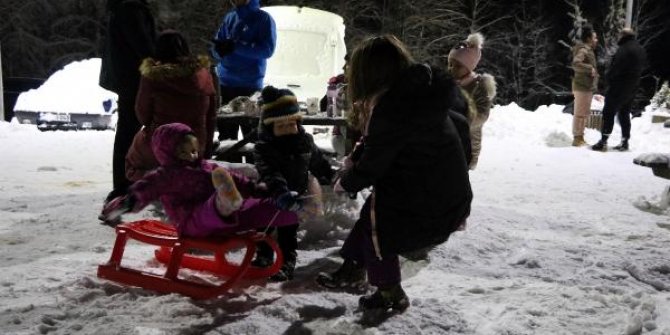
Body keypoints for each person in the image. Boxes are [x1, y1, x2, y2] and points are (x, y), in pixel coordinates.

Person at [315, 35, 473, 314]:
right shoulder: (417, 94)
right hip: (447, 192)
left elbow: (374, 166)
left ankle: (390, 293)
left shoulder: (395, 107)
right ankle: (353, 265)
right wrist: (358, 159)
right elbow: (385, 144)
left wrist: (346, 181)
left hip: (430, 200)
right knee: (373, 211)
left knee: (381, 223)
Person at [100, 123, 299, 238]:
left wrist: (263, 190)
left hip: (226, 220)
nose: (192, 156)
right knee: (210, 209)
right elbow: (143, 190)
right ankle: (224, 202)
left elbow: (241, 182)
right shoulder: (165, 175)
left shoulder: (208, 167)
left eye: (194, 150)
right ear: (168, 153)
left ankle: (295, 208)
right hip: (190, 223)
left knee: (258, 207)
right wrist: (121, 205)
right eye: (184, 152)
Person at [252, 85, 335, 281]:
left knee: (288, 232)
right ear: (270, 127)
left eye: (292, 124)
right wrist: (280, 192)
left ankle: (287, 263)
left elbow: (317, 162)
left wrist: (330, 176)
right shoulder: (264, 147)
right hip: (270, 195)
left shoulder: (304, 142)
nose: (289, 129)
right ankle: (264, 255)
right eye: (281, 126)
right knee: (263, 228)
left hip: (296, 197)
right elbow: (269, 172)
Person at [125, 30, 217, 182]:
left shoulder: (152, 76)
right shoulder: (205, 75)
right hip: (194, 146)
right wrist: (204, 150)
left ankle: (157, 182)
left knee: (132, 163)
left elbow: (142, 114)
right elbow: (211, 116)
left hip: (160, 144)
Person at [99, 0, 156, 203]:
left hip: (127, 79)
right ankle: (124, 185)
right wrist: (161, 64)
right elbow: (143, 45)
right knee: (128, 134)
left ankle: (124, 184)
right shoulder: (130, 8)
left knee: (127, 133)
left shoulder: (122, 7)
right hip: (134, 79)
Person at [211, 0, 276, 146]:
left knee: (252, 136)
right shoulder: (230, 17)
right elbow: (216, 45)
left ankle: (253, 167)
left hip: (250, 85)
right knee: (226, 139)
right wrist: (218, 51)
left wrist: (236, 46)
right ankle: (228, 167)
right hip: (225, 83)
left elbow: (267, 50)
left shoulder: (263, 18)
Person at [447, 32, 497, 170]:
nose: (451, 68)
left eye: (457, 66)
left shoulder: (478, 86)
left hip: (467, 144)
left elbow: (482, 114)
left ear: (469, 67)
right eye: (450, 64)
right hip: (448, 140)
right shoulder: (448, 82)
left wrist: (460, 120)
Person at [592, 28, 646, 152]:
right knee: (624, 113)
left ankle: (603, 141)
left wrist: (608, 78)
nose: (618, 38)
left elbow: (615, 68)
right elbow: (644, 66)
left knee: (608, 112)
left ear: (623, 36)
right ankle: (625, 141)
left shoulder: (624, 49)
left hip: (619, 86)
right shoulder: (640, 49)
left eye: (619, 35)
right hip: (633, 86)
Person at [570, 25, 599, 147]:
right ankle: (577, 138)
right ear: (588, 39)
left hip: (585, 86)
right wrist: (590, 68)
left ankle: (580, 136)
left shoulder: (588, 50)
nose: (596, 40)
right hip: (582, 86)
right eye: (594, 37)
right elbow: (576, 64)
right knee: (580, 113)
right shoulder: (584, 50)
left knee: (583, 113)